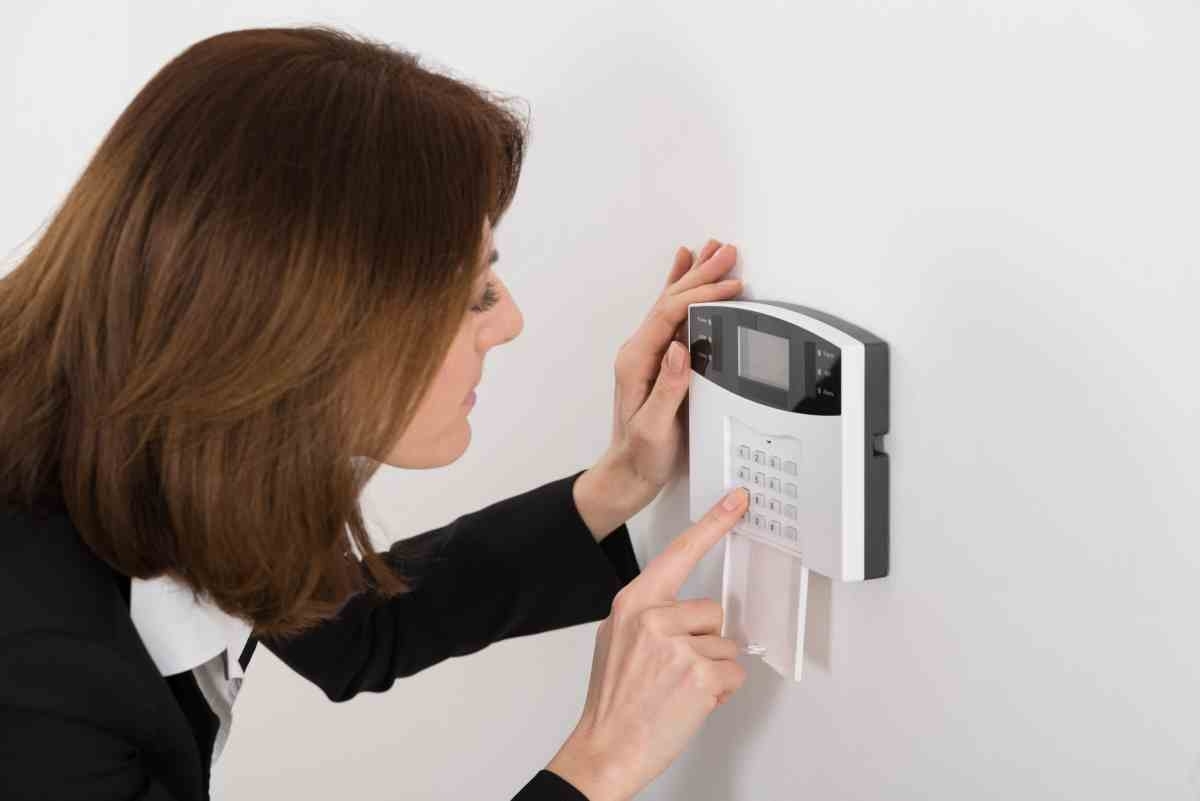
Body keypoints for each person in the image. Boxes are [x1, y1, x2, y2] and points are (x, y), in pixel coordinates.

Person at [0, 24, 749, 801]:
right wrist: (599, 762)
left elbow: (355, 630)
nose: (510, 321)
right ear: (301, 330)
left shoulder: (168, 448)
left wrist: (622, 477)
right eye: (472, 296)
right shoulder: (36, 694)